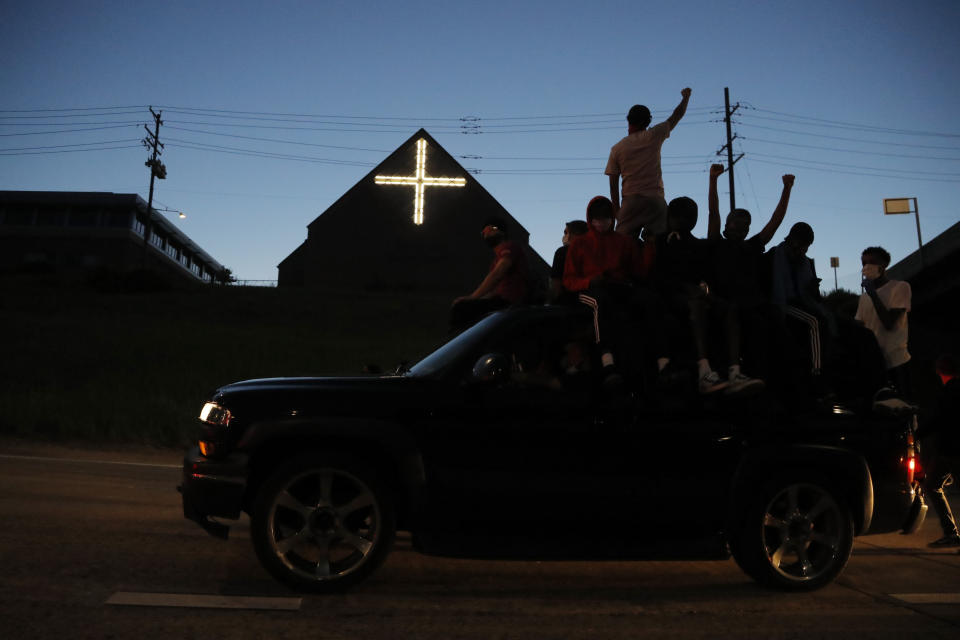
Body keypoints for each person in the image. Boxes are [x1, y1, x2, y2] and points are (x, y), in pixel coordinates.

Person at [707, 164, 795, 389]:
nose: (740, 229)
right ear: (727, 225)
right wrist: (713, 180)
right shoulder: (717, 243)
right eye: (736, 224)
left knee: (775, 325)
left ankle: (774, 381)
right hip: (727, 303)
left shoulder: (753, 246)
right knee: (751, 324)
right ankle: (741, 375)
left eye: (745, 226)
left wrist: (787, 188)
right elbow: (713, 212)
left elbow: (776, 221)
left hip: (754, 303)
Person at [563, 196, 665, 385]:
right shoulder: (579, 244)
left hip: (618, 288)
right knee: (600, 303)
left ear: (612, 216)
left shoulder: (624, 241)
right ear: (590, 218)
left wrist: (650, 245)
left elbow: (640, 271)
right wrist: (590, 281)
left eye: (605, 216)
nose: (601, 220)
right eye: (597, 216)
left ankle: (662, 359)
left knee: (650, 300)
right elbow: (569, 280)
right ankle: (606, 358)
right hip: (590, 291)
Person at [652, 195, 734, 394]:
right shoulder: (661, 242)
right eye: (680, 217)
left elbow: (703, 275)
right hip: (670, 296)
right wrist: (688, 288)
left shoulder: (695, 245)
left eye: (688, 217)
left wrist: (705, 292)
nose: (684, 222)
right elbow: (657, 276)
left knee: (728, 308)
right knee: (696, 304)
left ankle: (734, 369)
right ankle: (704, 369)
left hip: (690, 295)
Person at [606, 87, 692, 241]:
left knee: (622, 246)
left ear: (628, 120)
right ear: (647, 121)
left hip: (630, 202)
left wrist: (617, 210)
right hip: (655, 200)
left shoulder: (617, 148)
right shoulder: (655, 135)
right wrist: (686, 97)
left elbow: (613, 182)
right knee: (657, 246)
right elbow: (677, 115)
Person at [768, 222, 834, 375]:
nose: (803, 249)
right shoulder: (776, 255)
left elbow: (810, 293)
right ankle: (817, 370)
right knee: (816, 322)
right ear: (792, 240)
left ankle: (826, 362)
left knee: (827, 318)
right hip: (786, 303)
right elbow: (778, 288)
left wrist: (812, 288)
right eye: (802, 244)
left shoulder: (805, 262)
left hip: (802, 302)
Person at [450, 218, 530, 331]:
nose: (486, 234)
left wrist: (473, 298)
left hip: (510, 302)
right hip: (501, 301)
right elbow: (494, 290)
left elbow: (497, 274)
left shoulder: (510, 247)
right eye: (483, 232)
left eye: (491, 229)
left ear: (502, 232)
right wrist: (476, 300)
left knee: (462, 309)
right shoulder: (496, 260)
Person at [855, 246, 912, 398]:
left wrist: (873, 294)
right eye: (864, 263)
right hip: (874, 363)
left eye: (872, 262)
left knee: (901, 408)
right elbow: (861, 328)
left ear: (884, 265)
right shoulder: (864, 298)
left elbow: (889, 323)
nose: (867, 266)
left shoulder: (900, 287)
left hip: (896, 362)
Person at [917, 354, 960, 547]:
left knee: (932, 486)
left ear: (940, 371)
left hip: (951, 450)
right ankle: (951, 534)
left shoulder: (949, 392)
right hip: (948, 451)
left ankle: (951, 533)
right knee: (932, 485)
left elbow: (938, 420)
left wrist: (917, 434)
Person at [549, 219, 589, 304]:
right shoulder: (595, 253)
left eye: (566, 233)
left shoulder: (562, 252)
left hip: (567, 303)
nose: (565, 236)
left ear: (576, 234)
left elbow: (556, 283)